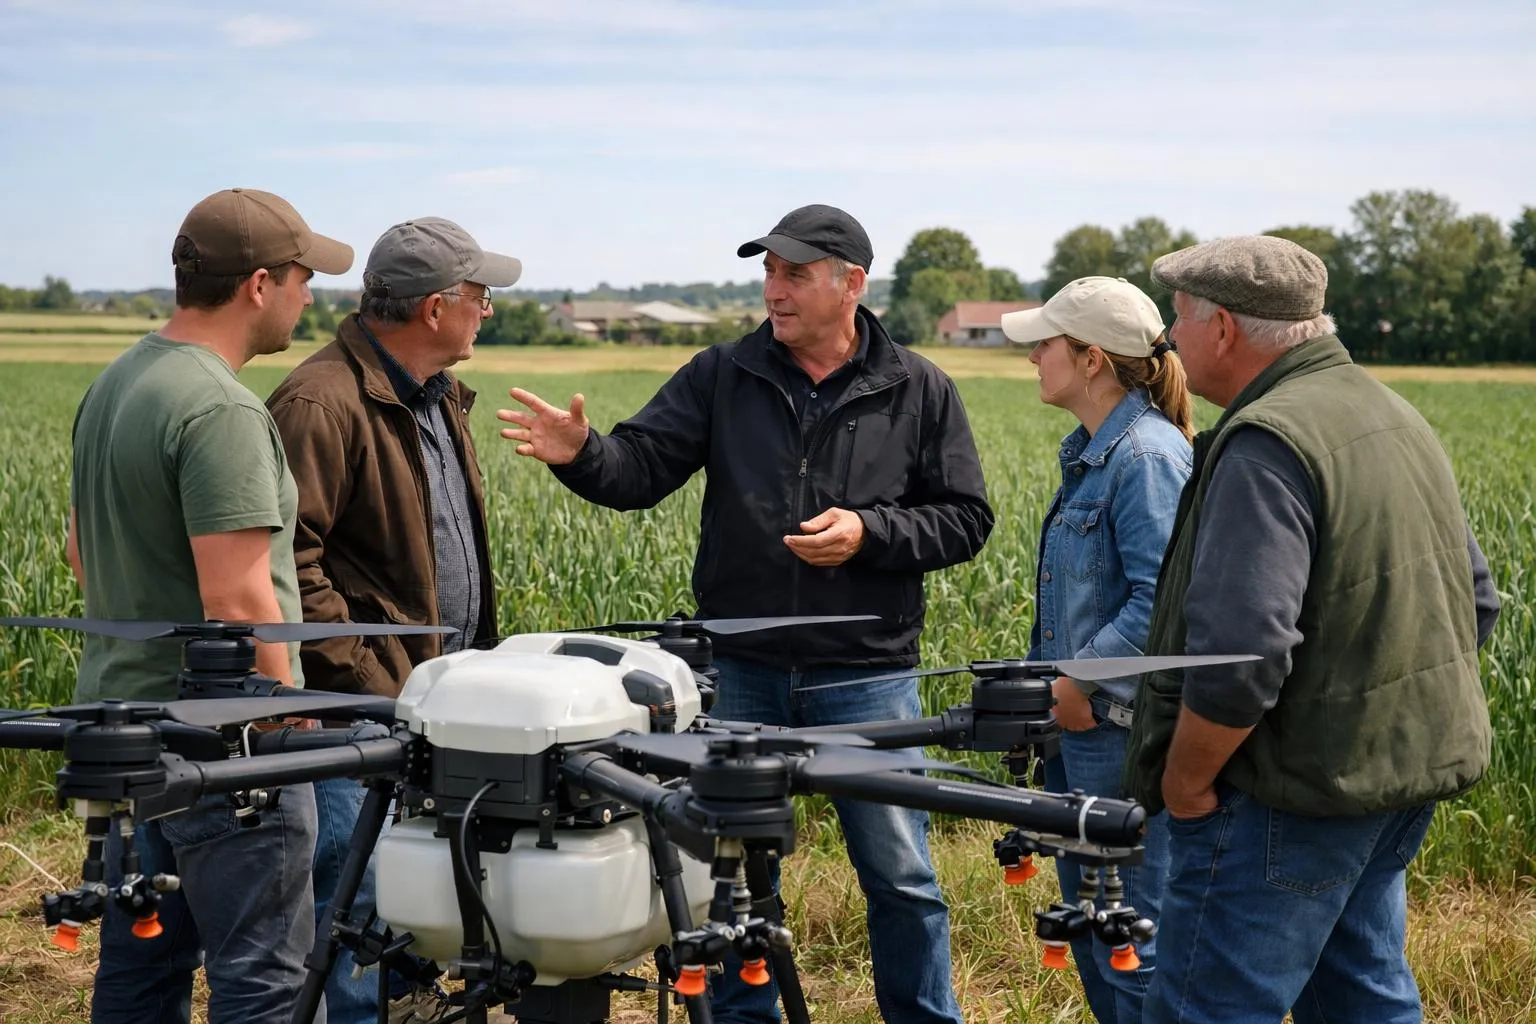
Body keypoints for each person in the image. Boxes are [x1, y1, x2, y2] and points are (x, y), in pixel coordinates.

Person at [496, 204, 994, 1024]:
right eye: (768, 271)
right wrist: (583, 453)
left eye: (794, 273)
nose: (775, 289)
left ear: (851, 285)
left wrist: (871, 533)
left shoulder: (918, 387)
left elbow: (966, 518)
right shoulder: (722, 372)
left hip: (866, 676)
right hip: (741, 673)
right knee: (732, 877)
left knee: (900, 876)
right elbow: (640, 470)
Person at [1119, 235, 1502, 1024]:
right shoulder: (1391, 413)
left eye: (1179, 321)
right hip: (1391, 785)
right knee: (1361, 993)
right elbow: (1477, 598)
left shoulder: (1267, 441)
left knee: (1207, 1007)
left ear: (1222, 328)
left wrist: (1186, 783)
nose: (1170, 340)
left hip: (1287, 798)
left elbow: (1242, 658)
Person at [65, 187, 353, 1023]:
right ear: (259, 284)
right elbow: (237, 595)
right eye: (304, 278)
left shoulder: (119, 382)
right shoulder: (220, 408)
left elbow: (85, 557)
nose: (310, 298)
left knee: (139, 969)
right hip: (221, 749)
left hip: (120, 731)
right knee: (265, 980)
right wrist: (284, 727)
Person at [266, 217, 519, 1024]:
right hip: (353, 711)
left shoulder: (438, 395)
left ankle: (404, 1006)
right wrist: (378, 684)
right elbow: (289, 571)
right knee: (356, 883)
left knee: (406, 884)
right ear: (436, 308)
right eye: (481, 297)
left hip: (424, 703)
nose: (487, 310)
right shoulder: (319, 401)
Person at [999, 276, 1192, 1022]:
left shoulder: (1144, 458)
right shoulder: (1094, 452)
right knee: (1094, 928)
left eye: (1044, 344)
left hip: (1117, 737)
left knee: (1132, 943)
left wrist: (1076, 681)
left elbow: (1165, 605)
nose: (1032, 358)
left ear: (1090, 360)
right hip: (1084, 734)